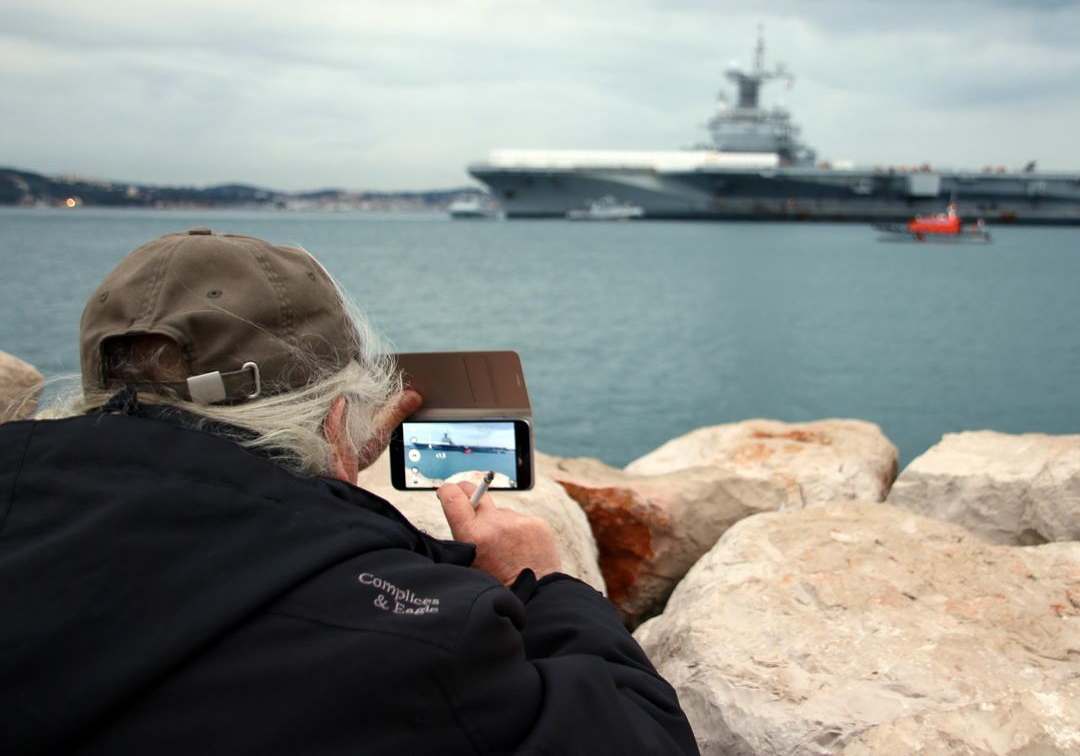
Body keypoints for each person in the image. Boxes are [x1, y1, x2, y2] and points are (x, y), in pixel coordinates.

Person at [0, 228, 699, 755]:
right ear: (339, 413)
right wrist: (545, 582)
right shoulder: (419, 637)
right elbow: (641, 737)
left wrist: (316, 470)